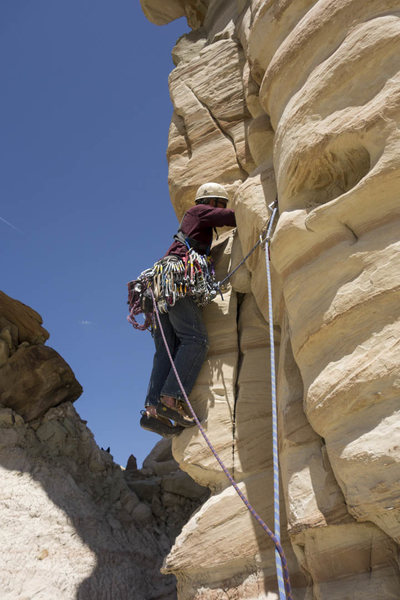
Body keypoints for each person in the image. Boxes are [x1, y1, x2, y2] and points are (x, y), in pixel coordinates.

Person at [140, 182, 236, 437]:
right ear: (211, 201)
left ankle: (151, 410)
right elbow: (231, 218)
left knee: (166, 350)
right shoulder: (199, 212)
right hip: (175, 278)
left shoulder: (194, 225)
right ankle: (170, 399)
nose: (220, 209)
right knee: (195, 340)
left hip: (158, 287)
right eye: (220, 204)